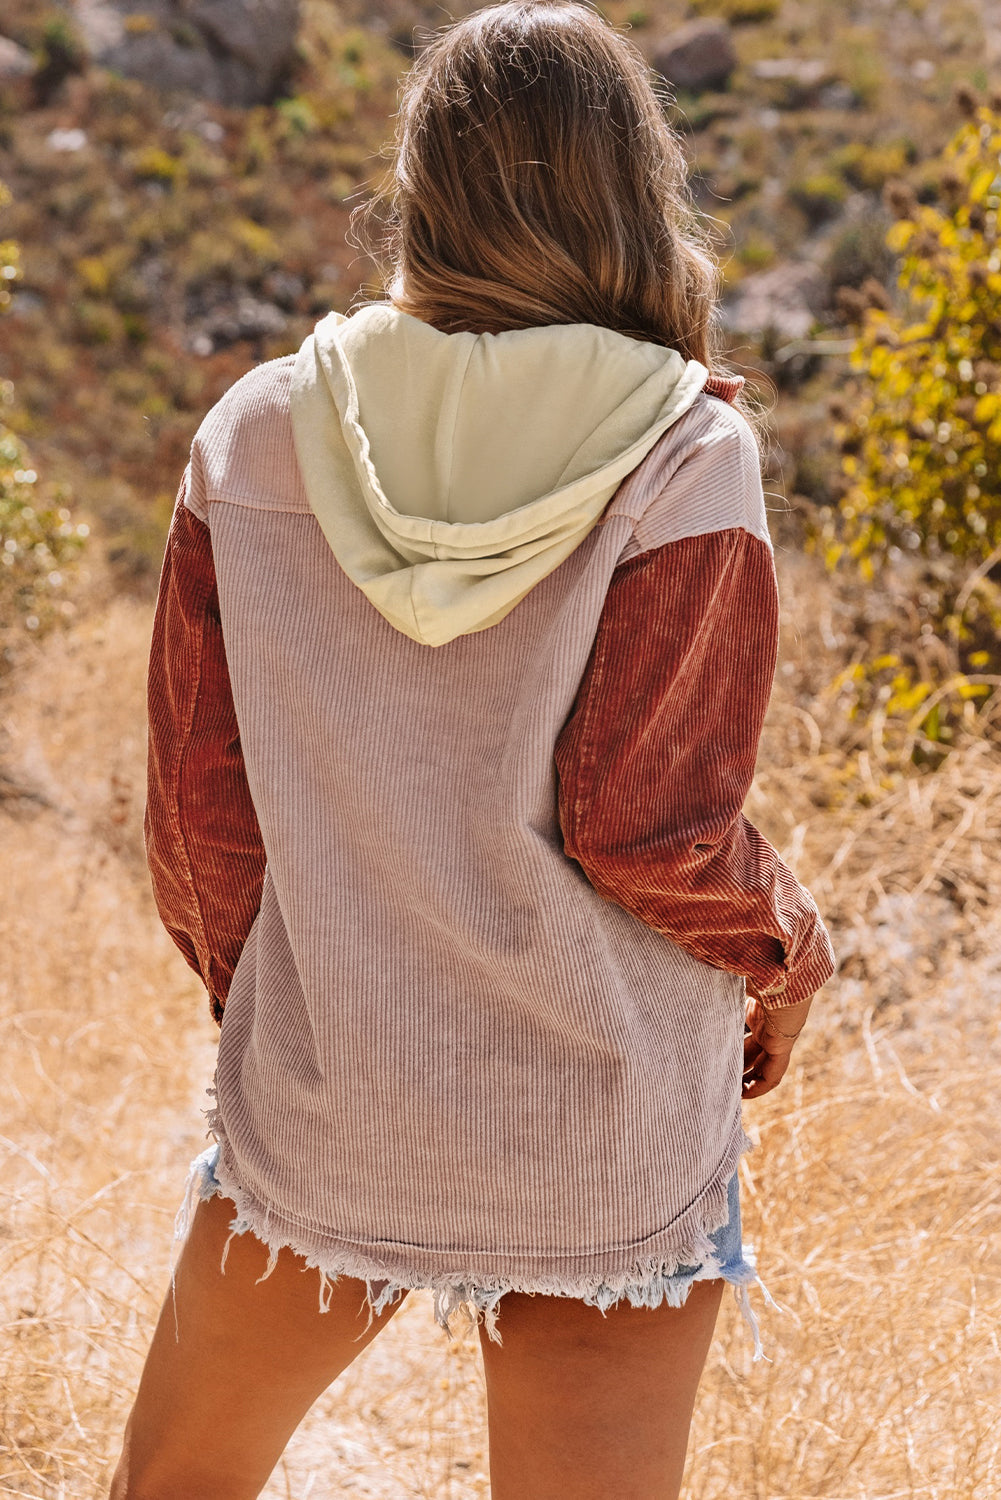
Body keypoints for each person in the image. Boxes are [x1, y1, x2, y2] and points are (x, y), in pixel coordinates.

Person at [110, 4, 835, 1497]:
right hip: (604, 1133)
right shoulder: (686, 454)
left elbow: (195, 816)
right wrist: (787, 955)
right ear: (631, 187)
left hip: (331, 1101)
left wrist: (309, 1004)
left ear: (422, 186)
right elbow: (649, 829)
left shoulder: (252, 435)